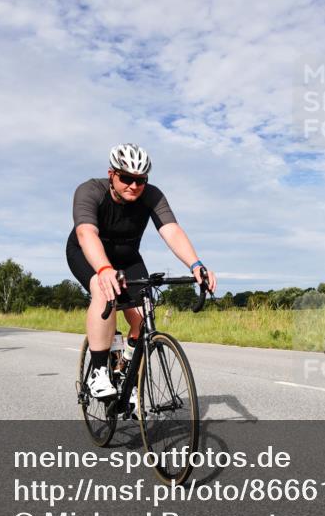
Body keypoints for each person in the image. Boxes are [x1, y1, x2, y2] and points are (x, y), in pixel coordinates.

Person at [67, 143, 216, 399]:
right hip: (87, 252)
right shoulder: (90, 191)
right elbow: (86, 232)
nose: (134, 185)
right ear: (112, 174)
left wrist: (195, 265)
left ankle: (127, 369)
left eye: (141, 180)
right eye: (127, 178)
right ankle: (99, 372)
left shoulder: (152, 195)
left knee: (143, 314)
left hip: (127, 257)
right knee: (103, 289)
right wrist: (104, 269)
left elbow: (171, 230)